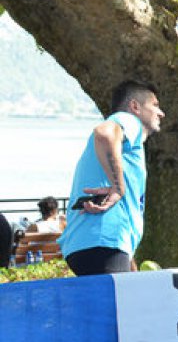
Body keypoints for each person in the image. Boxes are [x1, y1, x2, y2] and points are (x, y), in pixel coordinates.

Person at [59, 80, 164, 276]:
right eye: (155, 105)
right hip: (102, 242)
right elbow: (104, 133)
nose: (161, 113)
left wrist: (130, 266)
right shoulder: (128, 120)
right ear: (135, 106)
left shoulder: (128, 146)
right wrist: (118, 187)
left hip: (97, 244)